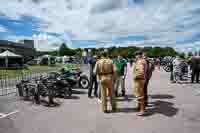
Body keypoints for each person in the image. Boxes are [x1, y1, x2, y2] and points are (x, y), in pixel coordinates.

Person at [133, 50, 147, 116]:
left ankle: (142, 110)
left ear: (139, 55)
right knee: (139, 94)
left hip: (139, 79)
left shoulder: (140, 61)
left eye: (136, 55)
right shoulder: (143, 61)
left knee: (140, 95)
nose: (135, 56)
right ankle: (139, 107)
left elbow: (141, 71)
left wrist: (135, 76)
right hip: (142, 79)